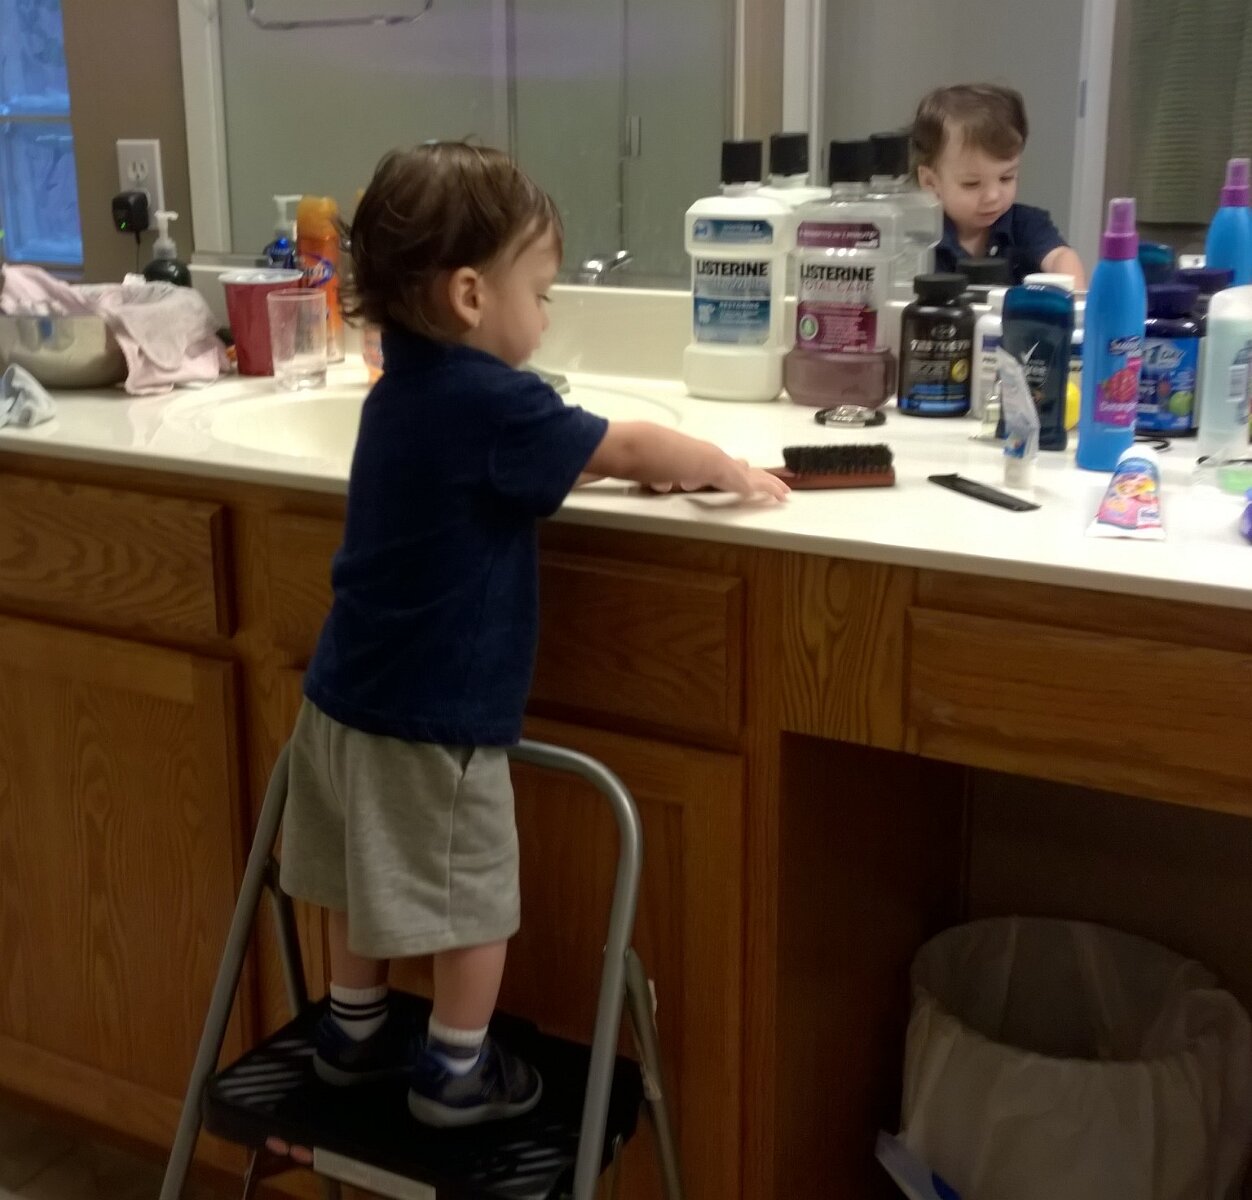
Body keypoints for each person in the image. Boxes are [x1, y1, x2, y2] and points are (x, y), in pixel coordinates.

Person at [278, 141, 788, 1130]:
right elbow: (625, 445)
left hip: (340, 701)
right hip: (433, 720)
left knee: (355, 875)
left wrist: (598, 458)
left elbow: (533, 461)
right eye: (542, 294)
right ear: (471, 295)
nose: (547, 317)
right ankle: (455, 1070)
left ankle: (351, 1032)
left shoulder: (400, 392)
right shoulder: (494, 401)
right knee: (473, 898)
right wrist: (720, 464)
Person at [911, 82, 1087, 287]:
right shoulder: (918, 239)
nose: (993, 196)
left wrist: (1073, 293)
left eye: (1006, 178)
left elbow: (1060, 256)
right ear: (931, 182)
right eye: (972, 183)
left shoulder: (1025, 225)